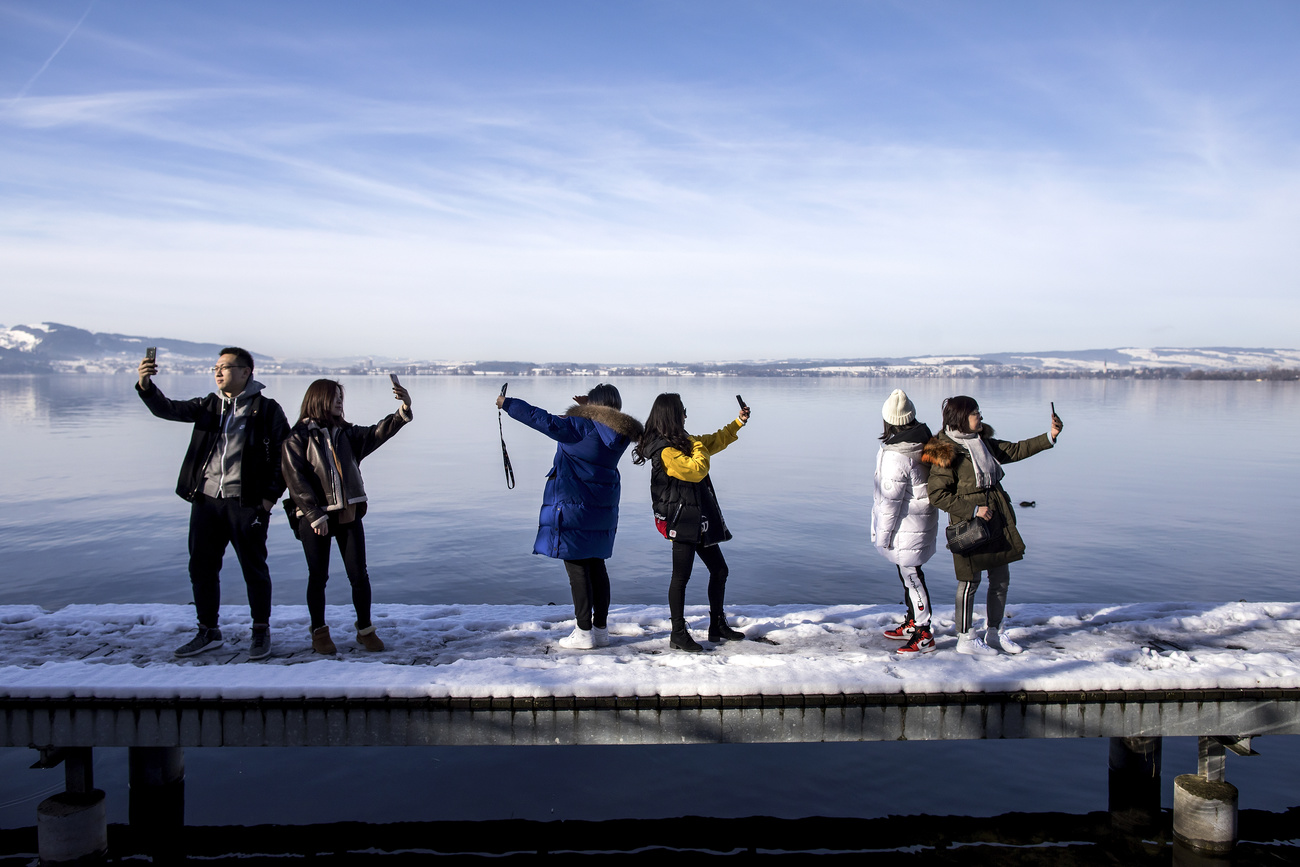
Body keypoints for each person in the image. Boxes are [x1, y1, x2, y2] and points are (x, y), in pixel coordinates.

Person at [136, 347, 290, 660]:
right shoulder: (208, 405)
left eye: (225, 367)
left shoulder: (267, 409)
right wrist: (146, 386)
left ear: (246, 371)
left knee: (254, 568)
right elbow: (167, 409)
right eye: (215, 368)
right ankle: (208, 631)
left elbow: (283, 457)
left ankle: (260, 631)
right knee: (202, 566)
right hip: (206, 501)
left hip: (246, 503)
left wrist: (268, 498)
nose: (218, 372)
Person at [496, 384, 643, 650]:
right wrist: (590, 407)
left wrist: (508, 403)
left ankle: (583, 632)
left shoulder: (579, 427)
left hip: (574, 507)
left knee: (577, 570)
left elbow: (541, 419)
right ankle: (600, 630)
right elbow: (601, 422)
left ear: (593, 407)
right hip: (601, 510)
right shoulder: (619, 434)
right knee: (597, 568)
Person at [925, 395, 1063, 656]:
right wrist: (974, 509)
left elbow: (1015, 449)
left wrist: (1050, 435)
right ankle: (965, 638)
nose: (981, 416)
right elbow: (937, 495)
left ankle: (994, 633)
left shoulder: (982, 443)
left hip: (996, 519)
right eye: (976, 412)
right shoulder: (944, 450)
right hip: (969, 527)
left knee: (1000, 579)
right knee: (969, 581)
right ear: (962, 417)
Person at [282, 379, 413, 654]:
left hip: (349, 512)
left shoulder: (347, 434)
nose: (340, 402)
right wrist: (315, 515)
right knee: (318, 577)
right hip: (314, 518)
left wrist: (403, 409)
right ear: (318, 399)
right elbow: (296, 480)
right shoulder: (298, 437)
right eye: (334, 397)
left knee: (359, 575)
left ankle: (365, 630)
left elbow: (378, 432)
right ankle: (319, 632)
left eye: (341, 397)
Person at [632, 393, 750, 652]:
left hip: (697, 518)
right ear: (673, 415)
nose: (686, 414)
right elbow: (697, 469)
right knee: (680, 578)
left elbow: (713, 441)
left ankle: (716, 624)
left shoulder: (681, 442)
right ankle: (677, 633)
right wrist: (697, 445)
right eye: (683, 410)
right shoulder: (666, 451)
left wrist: (738, 423)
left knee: (720, 570)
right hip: (681, 519)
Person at [871, 389, 939, 656]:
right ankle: (913, 622)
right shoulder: (923, 441)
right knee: (910, 574)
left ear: (888, 421)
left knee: (912, 577)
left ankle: (924, 633)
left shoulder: (896, 455)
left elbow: (890, 503)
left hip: (905, 528)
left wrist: (882, 538)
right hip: (920, 524)